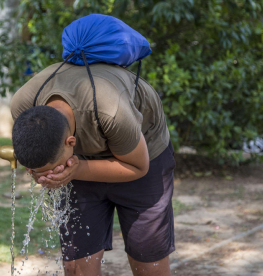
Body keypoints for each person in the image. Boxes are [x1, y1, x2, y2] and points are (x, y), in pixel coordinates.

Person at [10, 59, 175, 275]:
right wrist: (44, 172)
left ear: (71, 142)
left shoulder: (111, 110)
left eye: (52, 170)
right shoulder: (24, 106)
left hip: (143, 154)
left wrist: (77, 170)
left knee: (147, 261)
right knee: (76, 265)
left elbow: (138, 167)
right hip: (76, 160)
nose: (47, 178)